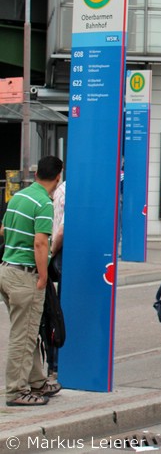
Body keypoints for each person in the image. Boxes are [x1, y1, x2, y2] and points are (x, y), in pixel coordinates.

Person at [1, 155, 64, 406]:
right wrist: (43, 276)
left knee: (28, 331)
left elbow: (5, 229)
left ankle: (37, 381)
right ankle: (16, 391)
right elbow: (40, 242)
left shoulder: (18, 197)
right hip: (26, 275)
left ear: (37, 175)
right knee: (23, 335)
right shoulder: (43, 203)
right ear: (58, 178)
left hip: (7, 270)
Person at [45, 179, 67, 382]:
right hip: (64, 255)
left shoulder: (61, 189)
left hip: (58, 255)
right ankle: (58, 365)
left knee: (55, 311)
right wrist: (50, 254)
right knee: (61, 313)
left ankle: (53, 366)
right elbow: (61, 229)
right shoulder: (74, 191)